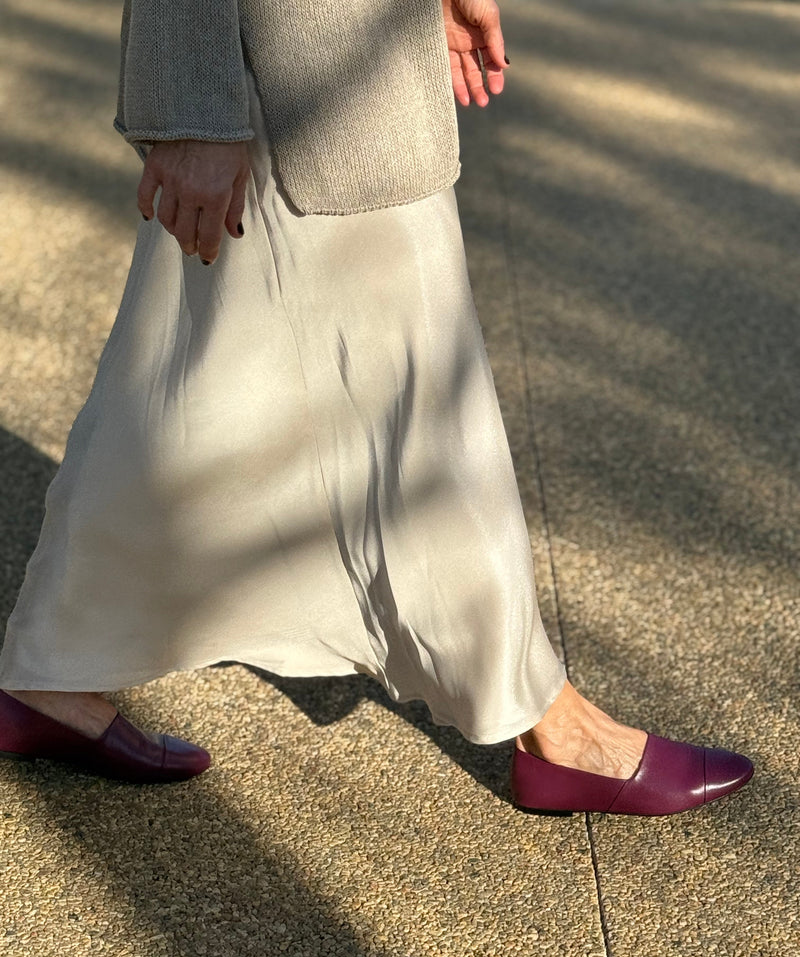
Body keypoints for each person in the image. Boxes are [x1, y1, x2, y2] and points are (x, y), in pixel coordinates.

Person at [0, 0, 752, 814]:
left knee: (196, 373)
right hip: (295, 61)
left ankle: (54, 664)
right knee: (422, 398)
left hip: (344, 46)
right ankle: (553, 724)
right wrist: (190, 101)